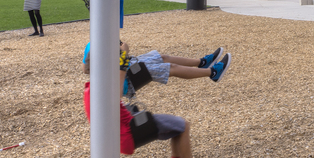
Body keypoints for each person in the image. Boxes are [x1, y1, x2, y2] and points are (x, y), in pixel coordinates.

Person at [82, 61, 212, 158]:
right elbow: (118, 92)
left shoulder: (90, 87)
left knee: (176, 128)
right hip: (129, 131)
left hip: (122, 133)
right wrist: (122, 65)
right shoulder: (102, 87)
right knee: (183, 126)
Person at [84, 39, 231, 91]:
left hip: (128, 65)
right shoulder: (91, 46)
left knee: (162, 57)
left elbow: (86, 68)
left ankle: (202, 63)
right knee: (171, 68)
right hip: (125, 81)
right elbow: (88, 70)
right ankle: (212, 73)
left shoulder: (95, 43)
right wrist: (123, 54)